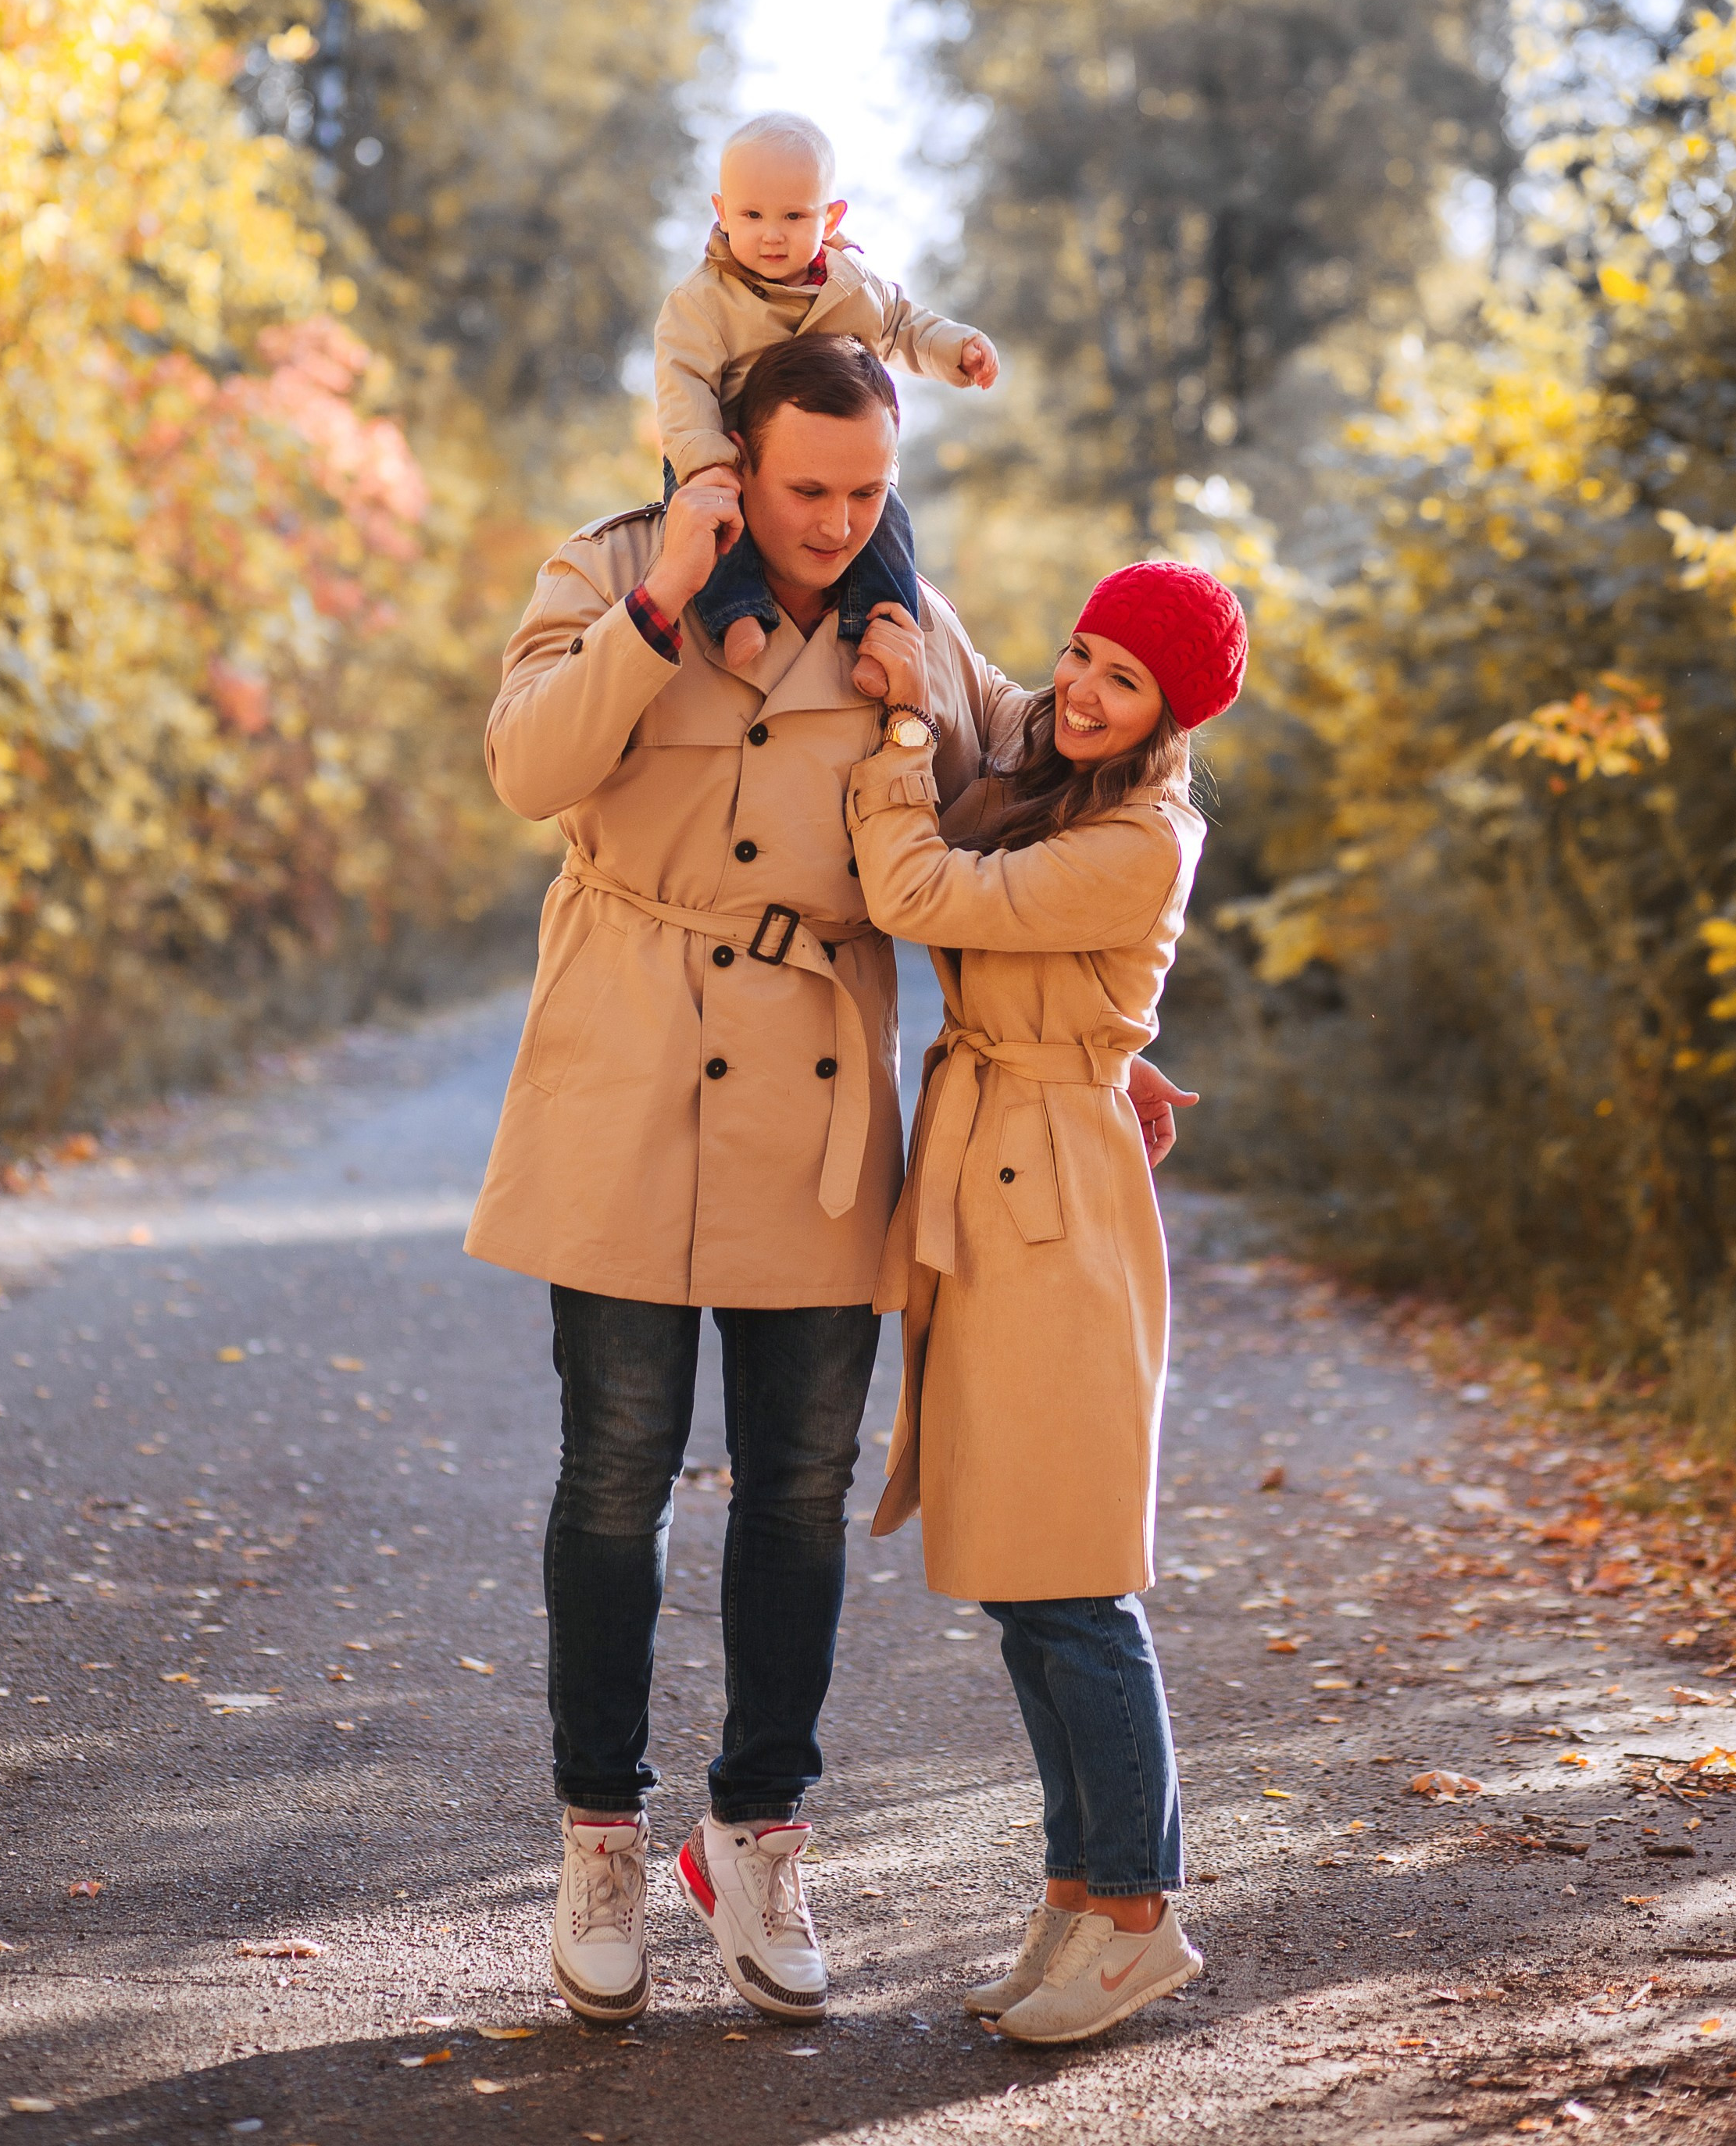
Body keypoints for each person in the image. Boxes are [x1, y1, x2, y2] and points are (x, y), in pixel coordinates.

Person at [466, 334, 1086, 2027]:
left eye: (869, 488)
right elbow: (526, 771)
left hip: (814, 1101)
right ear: (733, 456)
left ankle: (760, 1833)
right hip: (625, 1073)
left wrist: (1113, 1026)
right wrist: (662, 597)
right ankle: (601, 1836)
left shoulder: (909, 619)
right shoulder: (609, 565)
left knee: (800, 1490)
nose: (836, 520)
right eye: (806, 488)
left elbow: (1010, 832)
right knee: (615, 1474)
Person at [844, 559, 1248, 2047]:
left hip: (1056, 1202)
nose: (1079, 688)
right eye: (1081, 654)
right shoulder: (1052, 760)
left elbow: (919, 890)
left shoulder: (1141, 834)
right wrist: (872, 529)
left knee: (1073, 1581)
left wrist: (894, 749)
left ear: (1170, 717)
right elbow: (962, 654)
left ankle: (1141, 1912)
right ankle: (1077, 1891)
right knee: (1024, 1579)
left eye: (1120, 680)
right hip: (1011, 1156)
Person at [654, 110, 998, 685]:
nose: (771, 233)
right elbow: (682, 382)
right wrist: (706, 460)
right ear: (721, 212)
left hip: (841, 453)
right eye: (752, 215)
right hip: (729, 446)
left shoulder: (853, 285)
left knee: (885, 520)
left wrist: (958, 348)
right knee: (706, 517)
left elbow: (904, 328)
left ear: (830, 216)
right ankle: (736, 614)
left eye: (794, 216)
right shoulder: (703, 301)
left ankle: (882, 631)